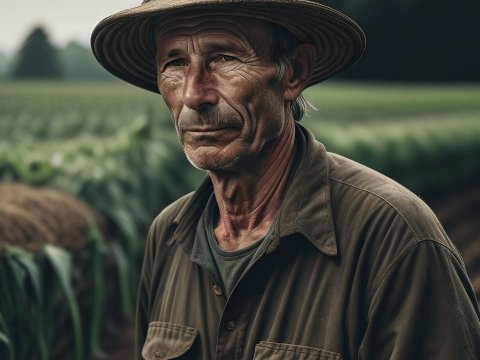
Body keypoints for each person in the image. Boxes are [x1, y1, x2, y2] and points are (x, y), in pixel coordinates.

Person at [92, 1, 480, 358]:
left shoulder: (394, 236)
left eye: (224, 57)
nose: (195, 95)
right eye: (174, 63)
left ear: (293, 73)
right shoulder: (168, 237)